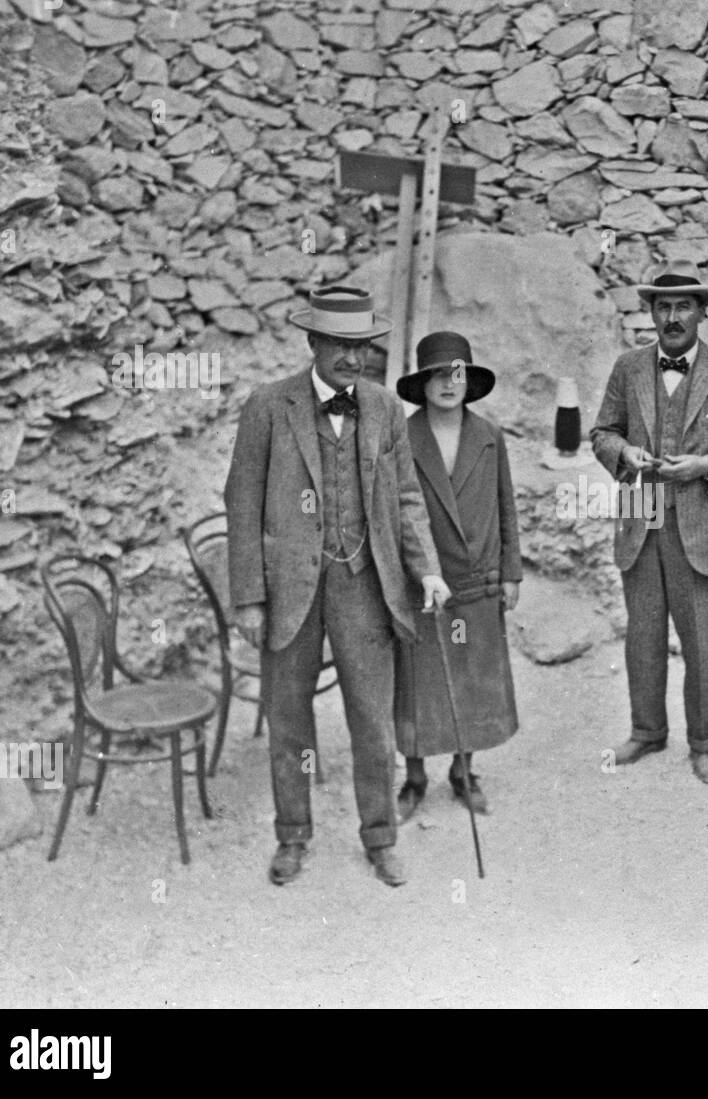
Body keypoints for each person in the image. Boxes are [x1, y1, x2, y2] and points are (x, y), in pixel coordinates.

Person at [224, 285, 450, 887]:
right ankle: (291, 836)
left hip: (363, 585)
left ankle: (379, 838)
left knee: (372, 722)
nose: (354, 359)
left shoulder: (383, 409)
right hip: (288, 590)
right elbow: (241, 503)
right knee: (289, 720)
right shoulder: (269, 407)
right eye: (341, 346)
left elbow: (406, 499)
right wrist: (247, 596)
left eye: (363, 347)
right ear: (313, 342)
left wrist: (425, 569)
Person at [590, 261, 708, 784]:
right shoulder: (628, 368)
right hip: (640, 522)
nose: (672, 318)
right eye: (663, 307)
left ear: (701, 314)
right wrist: (626, 453)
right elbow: (602, 432)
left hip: (702, 526)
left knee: (700, 642)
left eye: (683, 308)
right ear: (650, 313)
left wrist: (705, 467)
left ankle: (703, 743)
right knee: (642, 636)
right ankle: (646, 732)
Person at [393, 331, 521, 819]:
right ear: (422, 384)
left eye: (458, 374)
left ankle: (464, 771)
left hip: (478, 579)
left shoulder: (489, 436)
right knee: (419, 683)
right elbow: (395, 511)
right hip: (423, 579)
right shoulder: (402, 437)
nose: (449, 384)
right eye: (438, 376)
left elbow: (505, 505)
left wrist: (510, 573)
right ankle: (414, 776)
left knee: (473, 679)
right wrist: (414, 570)